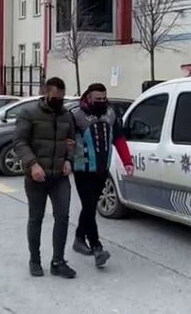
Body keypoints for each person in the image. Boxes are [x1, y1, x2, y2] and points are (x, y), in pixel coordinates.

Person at [13, 76, 77, 279]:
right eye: (56, 97)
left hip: (59, 176)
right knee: (36, 218)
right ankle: (35, 260)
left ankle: (58, 261)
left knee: (63, 217)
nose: (59, 100)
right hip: (36, 177)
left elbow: (71, 141)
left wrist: (69, 160)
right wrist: (32, 164)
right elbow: (19, 142)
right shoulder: (28, 113)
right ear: (46, 93)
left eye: (62, 97)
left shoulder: (66, 115)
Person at [69, 83, 134, 268]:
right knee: (90, 208)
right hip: (83, 170)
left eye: (104, 98)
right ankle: (97, 248)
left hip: (102, 170)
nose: (102, 101)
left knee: (88, 208)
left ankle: (79, 238)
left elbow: (119, 139)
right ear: (88, 97)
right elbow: (67, 141)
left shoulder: (110, 114)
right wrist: (65, 162)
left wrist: (127, 161)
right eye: (98, 99)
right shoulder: (75, 116)